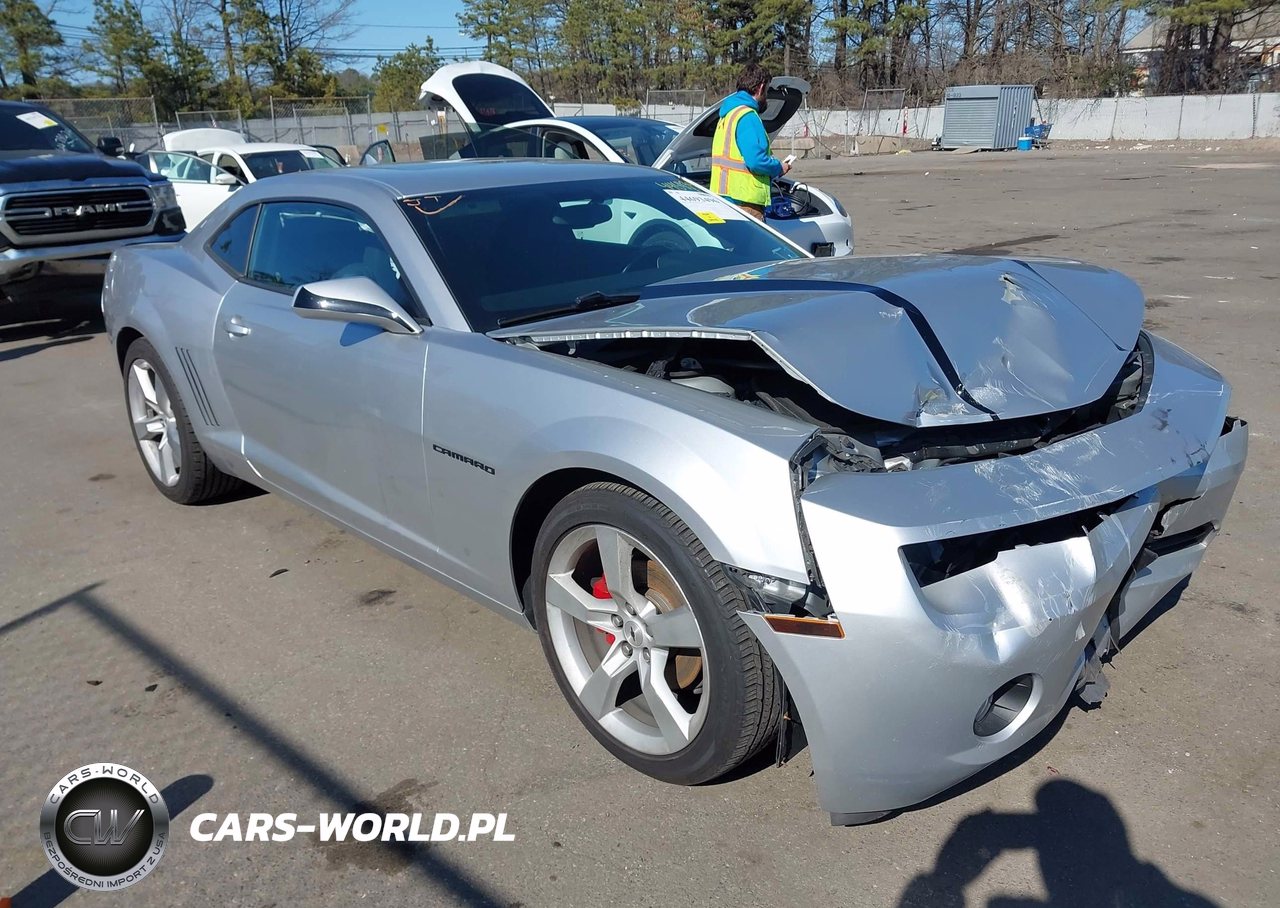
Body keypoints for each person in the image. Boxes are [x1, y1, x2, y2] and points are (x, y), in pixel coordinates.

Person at [710, 63, 791, 221]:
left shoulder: (728, 115)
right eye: (766, 91)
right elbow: (756, 160)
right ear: (761, 88)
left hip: (724, 199)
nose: (766, 96)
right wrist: (778, 168)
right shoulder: (748, 116)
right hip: (745, 203)